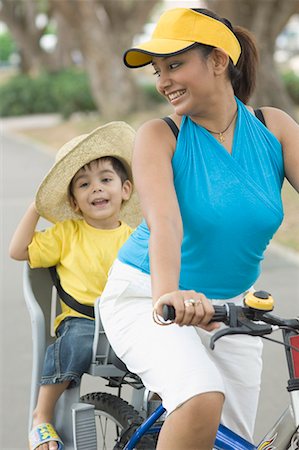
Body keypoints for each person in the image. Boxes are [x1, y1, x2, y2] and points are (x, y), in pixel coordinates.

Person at [99, 7, 299, 450]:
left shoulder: (274, 128)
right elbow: (165, 221)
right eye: (158, 70)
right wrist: (167, 293)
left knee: (232, 441)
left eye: (174, 65)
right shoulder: (160, 135)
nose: (163, 80)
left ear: (218, 60)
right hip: (150, 294)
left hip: (233, 310)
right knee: (200, 399)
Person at [9, 121, 140, 450]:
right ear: (75, 202)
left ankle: (157, 415)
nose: (96, 188)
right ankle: (42, 415)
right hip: (83, 321)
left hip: (125, 321)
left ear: (125, 190)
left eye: (106, 179)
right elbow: (18, 251)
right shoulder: (67, 234)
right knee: (78, 341)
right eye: (84, 184)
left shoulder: (136, 238)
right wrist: (35, 208)